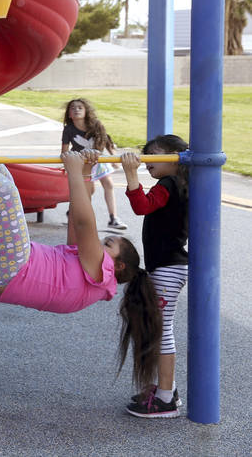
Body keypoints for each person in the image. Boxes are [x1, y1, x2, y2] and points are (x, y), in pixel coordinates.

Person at [0, 88, 162, 391]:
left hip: (13, 266)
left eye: (108, 245)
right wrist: (83, 171)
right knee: (6, 179)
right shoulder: (89, 271)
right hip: (7, 264)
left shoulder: (101, 274)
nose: (100, 244)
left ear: (119, 266)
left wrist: (71, 169)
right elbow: (76, 218)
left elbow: (85, 223)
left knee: (4, 192)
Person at [120, 134, 189, 419]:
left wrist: (130, 172)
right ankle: (166, 389)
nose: (147, 159)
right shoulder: (180, 185)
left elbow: (141, 207)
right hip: (170, 266)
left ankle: (165, 399)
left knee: (162, 331)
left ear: (174, 157)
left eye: (153, 155)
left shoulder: (170, 183)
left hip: (168, 268)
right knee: (162, 328)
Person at [62, 97, 124, 230]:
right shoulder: (69, 129)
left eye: (80, 107)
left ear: (86, 111)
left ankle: (113, 218)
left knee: (108, 183)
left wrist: (113, 158)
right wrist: (67, 163)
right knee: (87, 191)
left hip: (98, 159)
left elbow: (105, 140)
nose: (76, 110)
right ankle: (77, 215)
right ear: (69, 114)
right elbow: (64, 150)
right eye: (73, 108)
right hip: (81, 163)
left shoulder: (96, 124)